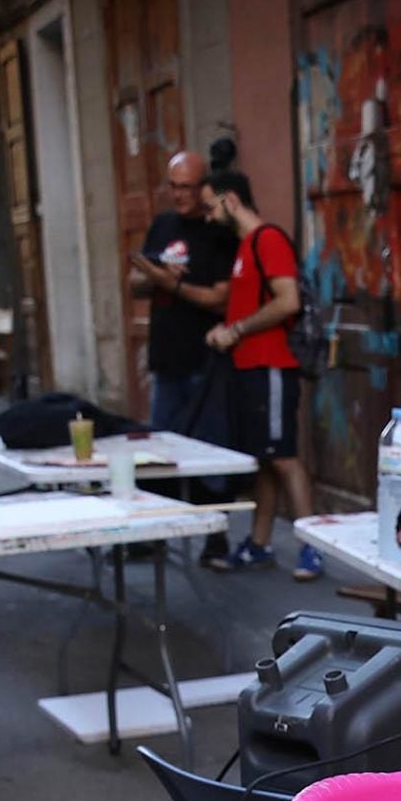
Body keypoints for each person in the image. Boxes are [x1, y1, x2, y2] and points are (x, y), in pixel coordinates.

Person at [199, 169, 322, 581]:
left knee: (284, 457)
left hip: (271, 365)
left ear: (230, 200)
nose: (208, 218)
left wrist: (235, 330)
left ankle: (312, 548)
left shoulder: (267, 239)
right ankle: (259, 543)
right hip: (249, 367)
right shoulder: (245, 246)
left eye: (211, 207)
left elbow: (287, 301)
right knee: (265, 460)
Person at [129, 150, 236, 560]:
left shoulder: (216, 231)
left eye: (187, 186)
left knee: (208, 452)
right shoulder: (162, 225)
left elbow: (223, 301)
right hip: (167, 354)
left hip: (204, 358)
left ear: (203, 185)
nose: (179, 195)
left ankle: (215, 536)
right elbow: (137, 283)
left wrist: (171, 284)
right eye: (173, 186)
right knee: (158, 450)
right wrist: (150, 279)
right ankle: (152, 534)